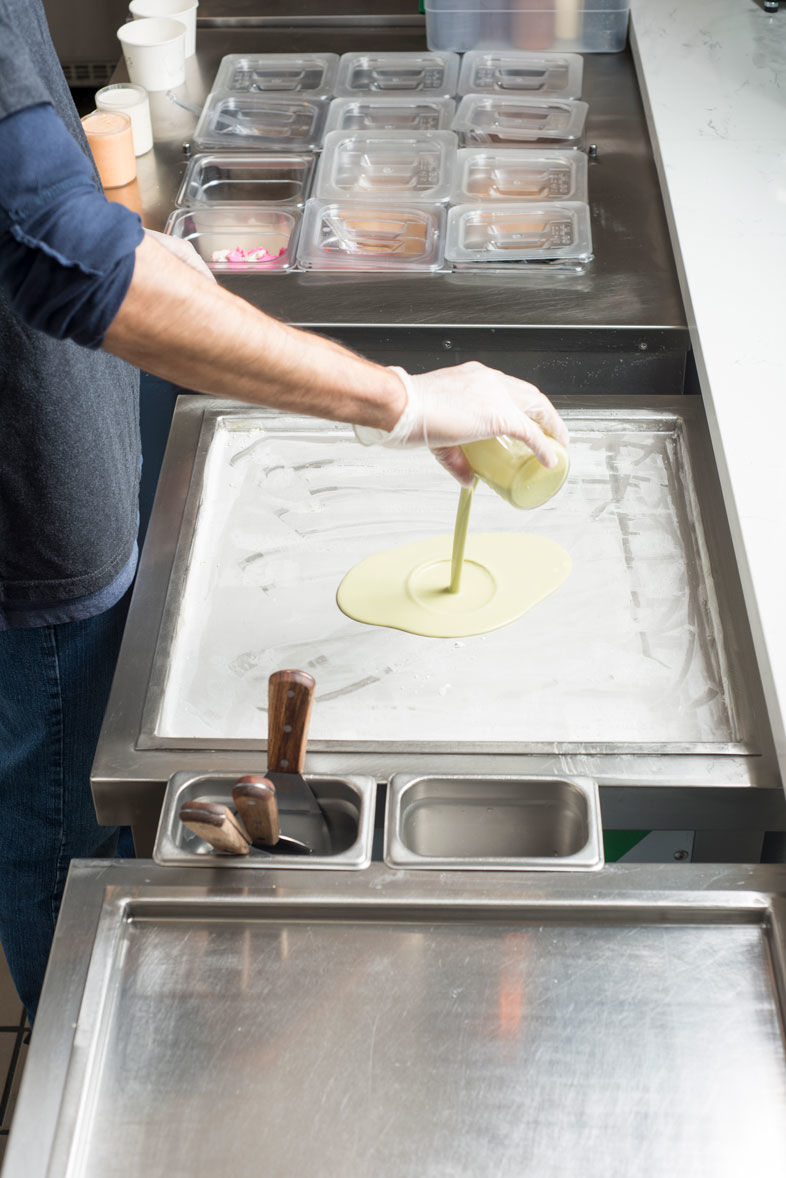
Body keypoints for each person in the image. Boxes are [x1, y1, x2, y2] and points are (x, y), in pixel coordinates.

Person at [0, 0, 569, 1023]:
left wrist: (126, 245)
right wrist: (403, 399)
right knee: (58, 833)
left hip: (66, 443)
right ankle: (77, 1059)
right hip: (27, 519)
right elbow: (52, 248)